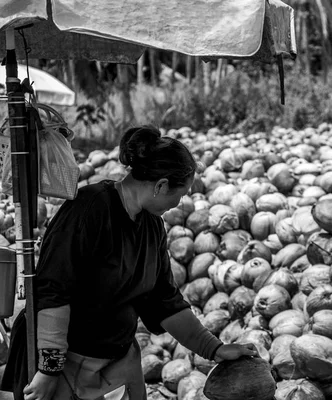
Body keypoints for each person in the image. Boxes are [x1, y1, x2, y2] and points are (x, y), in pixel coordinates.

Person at [1, 126, 257, 400]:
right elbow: (53, 289)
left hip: (116, 361)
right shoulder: (89, 209)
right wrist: (49, 369)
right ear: (160, 186)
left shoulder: (153, 226)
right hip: (61, 362)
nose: (179, 203)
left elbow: (163, 299)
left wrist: (214, 349)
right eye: (179, 195)